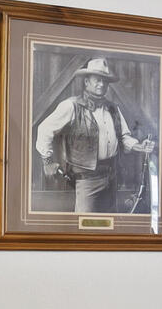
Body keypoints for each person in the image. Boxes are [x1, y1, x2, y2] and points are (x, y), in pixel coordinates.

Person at [33, 57, 154, 215]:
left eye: (105, 81)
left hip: (112, 178)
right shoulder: (71, 106)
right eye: (97, 80)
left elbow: (124, 137)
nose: (101, 85)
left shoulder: (113, 109)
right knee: (84, 227)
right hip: (86, 180)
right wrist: (47, 161)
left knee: (108, 226)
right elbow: (44, 129)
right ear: (86, 82)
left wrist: (139, 146)